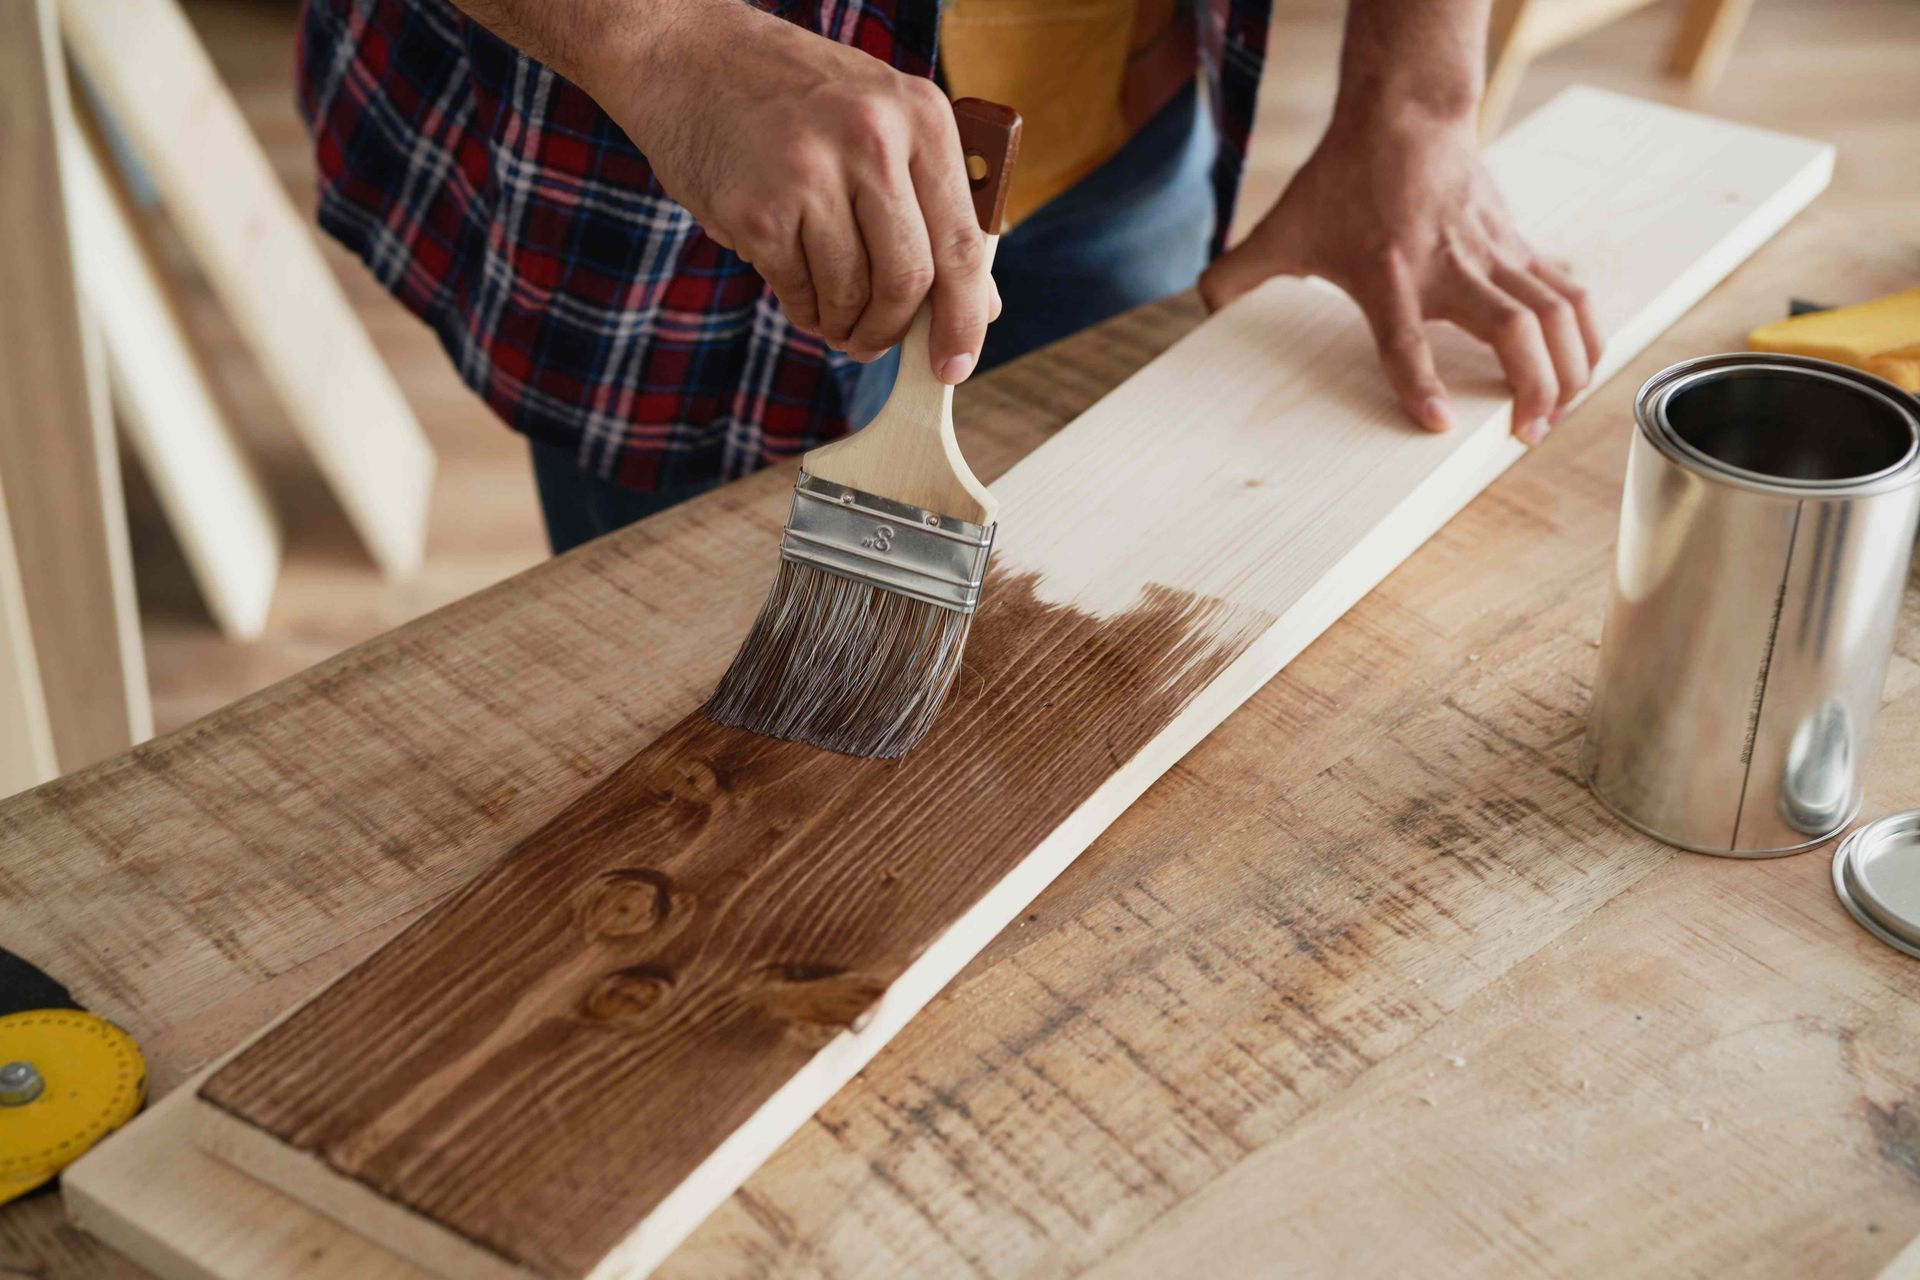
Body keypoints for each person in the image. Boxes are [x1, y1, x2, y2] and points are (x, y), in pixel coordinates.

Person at [298, 0, 1602, 553]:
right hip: (668, 191)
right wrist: (659, 36)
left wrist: (1419, 93)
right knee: (695, 752)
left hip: (1126, 130)